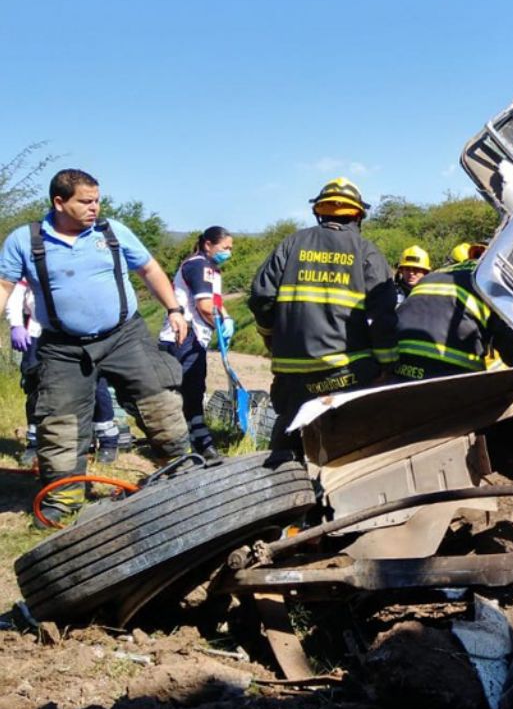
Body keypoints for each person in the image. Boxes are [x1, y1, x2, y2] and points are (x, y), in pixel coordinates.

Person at [0, 169, 190, 525]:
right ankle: (63, 499)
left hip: (124, 336)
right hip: (62, 348)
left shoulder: (112, 232)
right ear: (59, 202)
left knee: (159, 402)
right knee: (60, 421)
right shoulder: (25, 240)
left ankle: (182, 474)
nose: (95, 207)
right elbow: (4, 286)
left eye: (97, 200)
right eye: (85, 201)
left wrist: (174, 310)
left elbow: (149, 269)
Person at [249, 177, 397, 456]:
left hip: (291, 372)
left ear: (319, 212)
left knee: (287, 441)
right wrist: (387, 365)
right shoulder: (366, 251)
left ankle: (278, 478)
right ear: (358, 216)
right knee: (351, 446)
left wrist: (269, 336)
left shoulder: (291, 244)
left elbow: (261, 297)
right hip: (346, 372)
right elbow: (382, 316)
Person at [7, 280, 122, 465]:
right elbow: (15, 293)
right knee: (35, 385)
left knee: (94, 382)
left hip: (82, 331)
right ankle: (35, 443)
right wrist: (16, 325)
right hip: (38, 332)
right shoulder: (32, 263)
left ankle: (107, 439)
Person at [159, 226, 235, 461]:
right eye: (225, 247)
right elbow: (204, 307)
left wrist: (226, 318)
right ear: (208, 244)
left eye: (231, 248)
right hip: (184, 335)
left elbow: (215, 302)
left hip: (192, 335)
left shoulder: (210, 268)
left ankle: (191, 440)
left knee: (191, 389)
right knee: (191, 391)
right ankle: (199, 444)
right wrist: (219, 325)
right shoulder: (199, 265)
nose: (229, 252)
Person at [393, 253, 513, 381]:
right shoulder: (487, 280)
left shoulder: (435, 275)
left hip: (401, 367)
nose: (411, 273)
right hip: (449, 376)